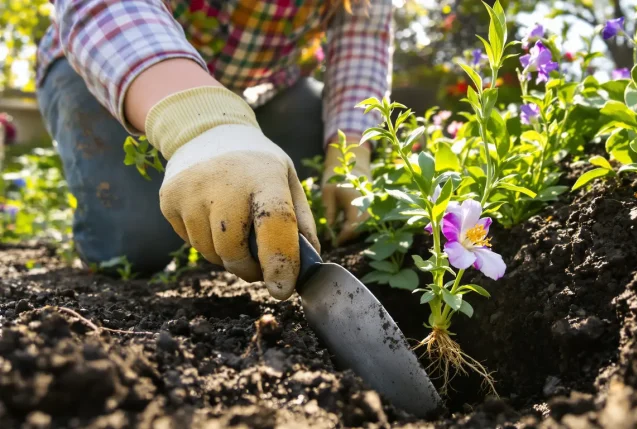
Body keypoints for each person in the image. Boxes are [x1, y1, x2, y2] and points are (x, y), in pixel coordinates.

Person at [35, 0, 392, 300]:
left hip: (259, 90)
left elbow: (362, 39)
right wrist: (200, 123)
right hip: (107, 57)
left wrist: (350, 153)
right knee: (135, 247)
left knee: (279, 206)